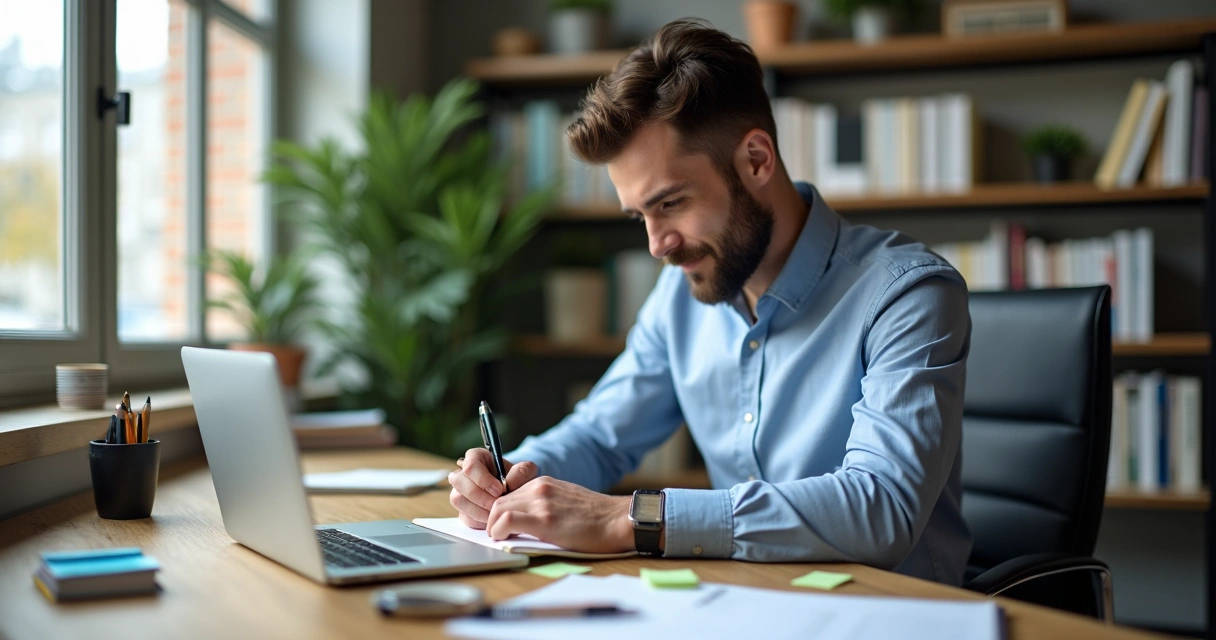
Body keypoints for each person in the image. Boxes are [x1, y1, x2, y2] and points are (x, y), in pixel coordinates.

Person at [448, 18, 972, 585]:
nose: (657, 245)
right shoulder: (680, 294)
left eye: (671, 203)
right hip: (741, 601)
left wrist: (633, 519)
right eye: (640, 216)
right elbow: (599, 435)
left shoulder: (908, 295)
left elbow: (882, 508)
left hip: (896, 613)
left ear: (755, 160)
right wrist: (512, 474)